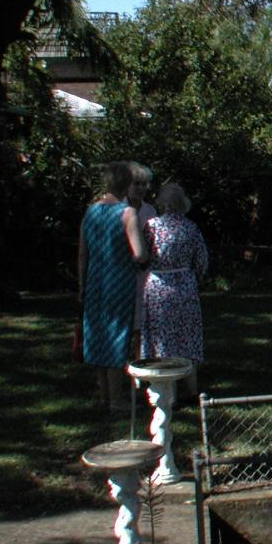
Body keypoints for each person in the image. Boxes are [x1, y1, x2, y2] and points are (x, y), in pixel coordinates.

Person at [79, 161, 147, 411]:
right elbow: (139, 253)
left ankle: (104, 395)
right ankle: (117, 399)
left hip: (95, 280)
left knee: (96, 336)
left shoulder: (91, 211)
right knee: (117, 336)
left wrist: (81, 285)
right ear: (127, 184)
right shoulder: (127, 213)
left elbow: (82, 254)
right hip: (119, 280)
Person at [141, 182, 208, 398]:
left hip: (159, 286)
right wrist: (192, 277)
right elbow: (202, 261)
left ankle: (167, 393)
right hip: (185, 286)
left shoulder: (151, 226)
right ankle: (192, 388)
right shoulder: (191, 227)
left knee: (162, 339)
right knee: (188, 337)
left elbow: (142, 257)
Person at [127, 162, 157, 348]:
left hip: (144, 274)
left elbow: (153, 243)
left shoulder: (150, 211)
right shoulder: (117, 209)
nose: (140, 188)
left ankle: (138, 371)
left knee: (141, 326)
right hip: (120, 272)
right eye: (136, 183)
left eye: (144, 184)